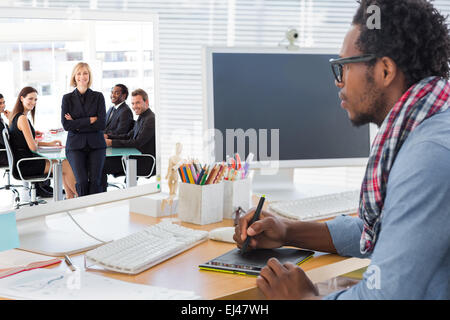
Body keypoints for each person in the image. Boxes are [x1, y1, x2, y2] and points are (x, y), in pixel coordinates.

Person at [234, 0, 450, 300]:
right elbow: (373, 231)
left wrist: (305, 299)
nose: (338, 82)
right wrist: (286, 230)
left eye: (344, 67)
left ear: (385, 70)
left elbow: (385, 297)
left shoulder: (428, 157)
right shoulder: (426, 128)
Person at [8, 87, 77, 199]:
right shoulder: (22, 119)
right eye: (30, 99)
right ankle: (81, 197)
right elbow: (33, 147)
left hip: (23, 162)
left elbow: (30, 142)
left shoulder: (15, 117)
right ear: (21, 98)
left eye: (35, 100)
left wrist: (51, 144)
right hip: (26, 165)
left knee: (64, 162)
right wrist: (39, 145)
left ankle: (70, 198)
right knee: (65, 164)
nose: (33, 102)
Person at [61, 62, 106, 196]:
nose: (82, 76)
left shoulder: (98, 96)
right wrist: (89, 120)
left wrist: (76, 123)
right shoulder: (67, 98)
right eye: (79, 73)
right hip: (75, 146)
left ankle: (96, 213)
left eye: (85, 73)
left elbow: (102, 124)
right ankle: (82, 212)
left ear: (89, 76)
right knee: (81, 182)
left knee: (95, 181)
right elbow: (66, 125)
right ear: (74, 77)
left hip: (96, 145)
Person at [101, 88, 155, 191]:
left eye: (137, 103)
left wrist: (111, 143)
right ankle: (99, 194)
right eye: (133, 103)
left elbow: (137, 142)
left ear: (146, 102)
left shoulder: (150, 119)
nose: (134, 106)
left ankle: (100, 196)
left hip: (142, 161)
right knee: (100, 161)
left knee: (101, 165)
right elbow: (128, 136)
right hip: (133, 157)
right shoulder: (142, 117)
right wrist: (109, 137)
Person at [0, 93, 10, 166]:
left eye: (3, 102)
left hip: (6, 152)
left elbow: (10, 131)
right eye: (0, 103)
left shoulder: (1, 119)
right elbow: (7, 141)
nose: (3, 105)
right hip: (3, 155)